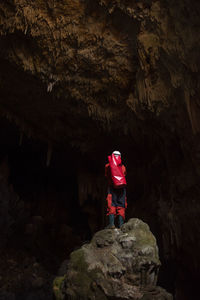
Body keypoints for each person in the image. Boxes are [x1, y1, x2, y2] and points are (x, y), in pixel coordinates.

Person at [105, 151, 127, 228]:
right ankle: (121, 225)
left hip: (112, 187)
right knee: (121, 205)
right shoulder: (123, 167)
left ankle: (112, 224)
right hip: (122, 188)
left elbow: (107, 175)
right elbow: (124, 175)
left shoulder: (108, 166)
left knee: (111, 204)